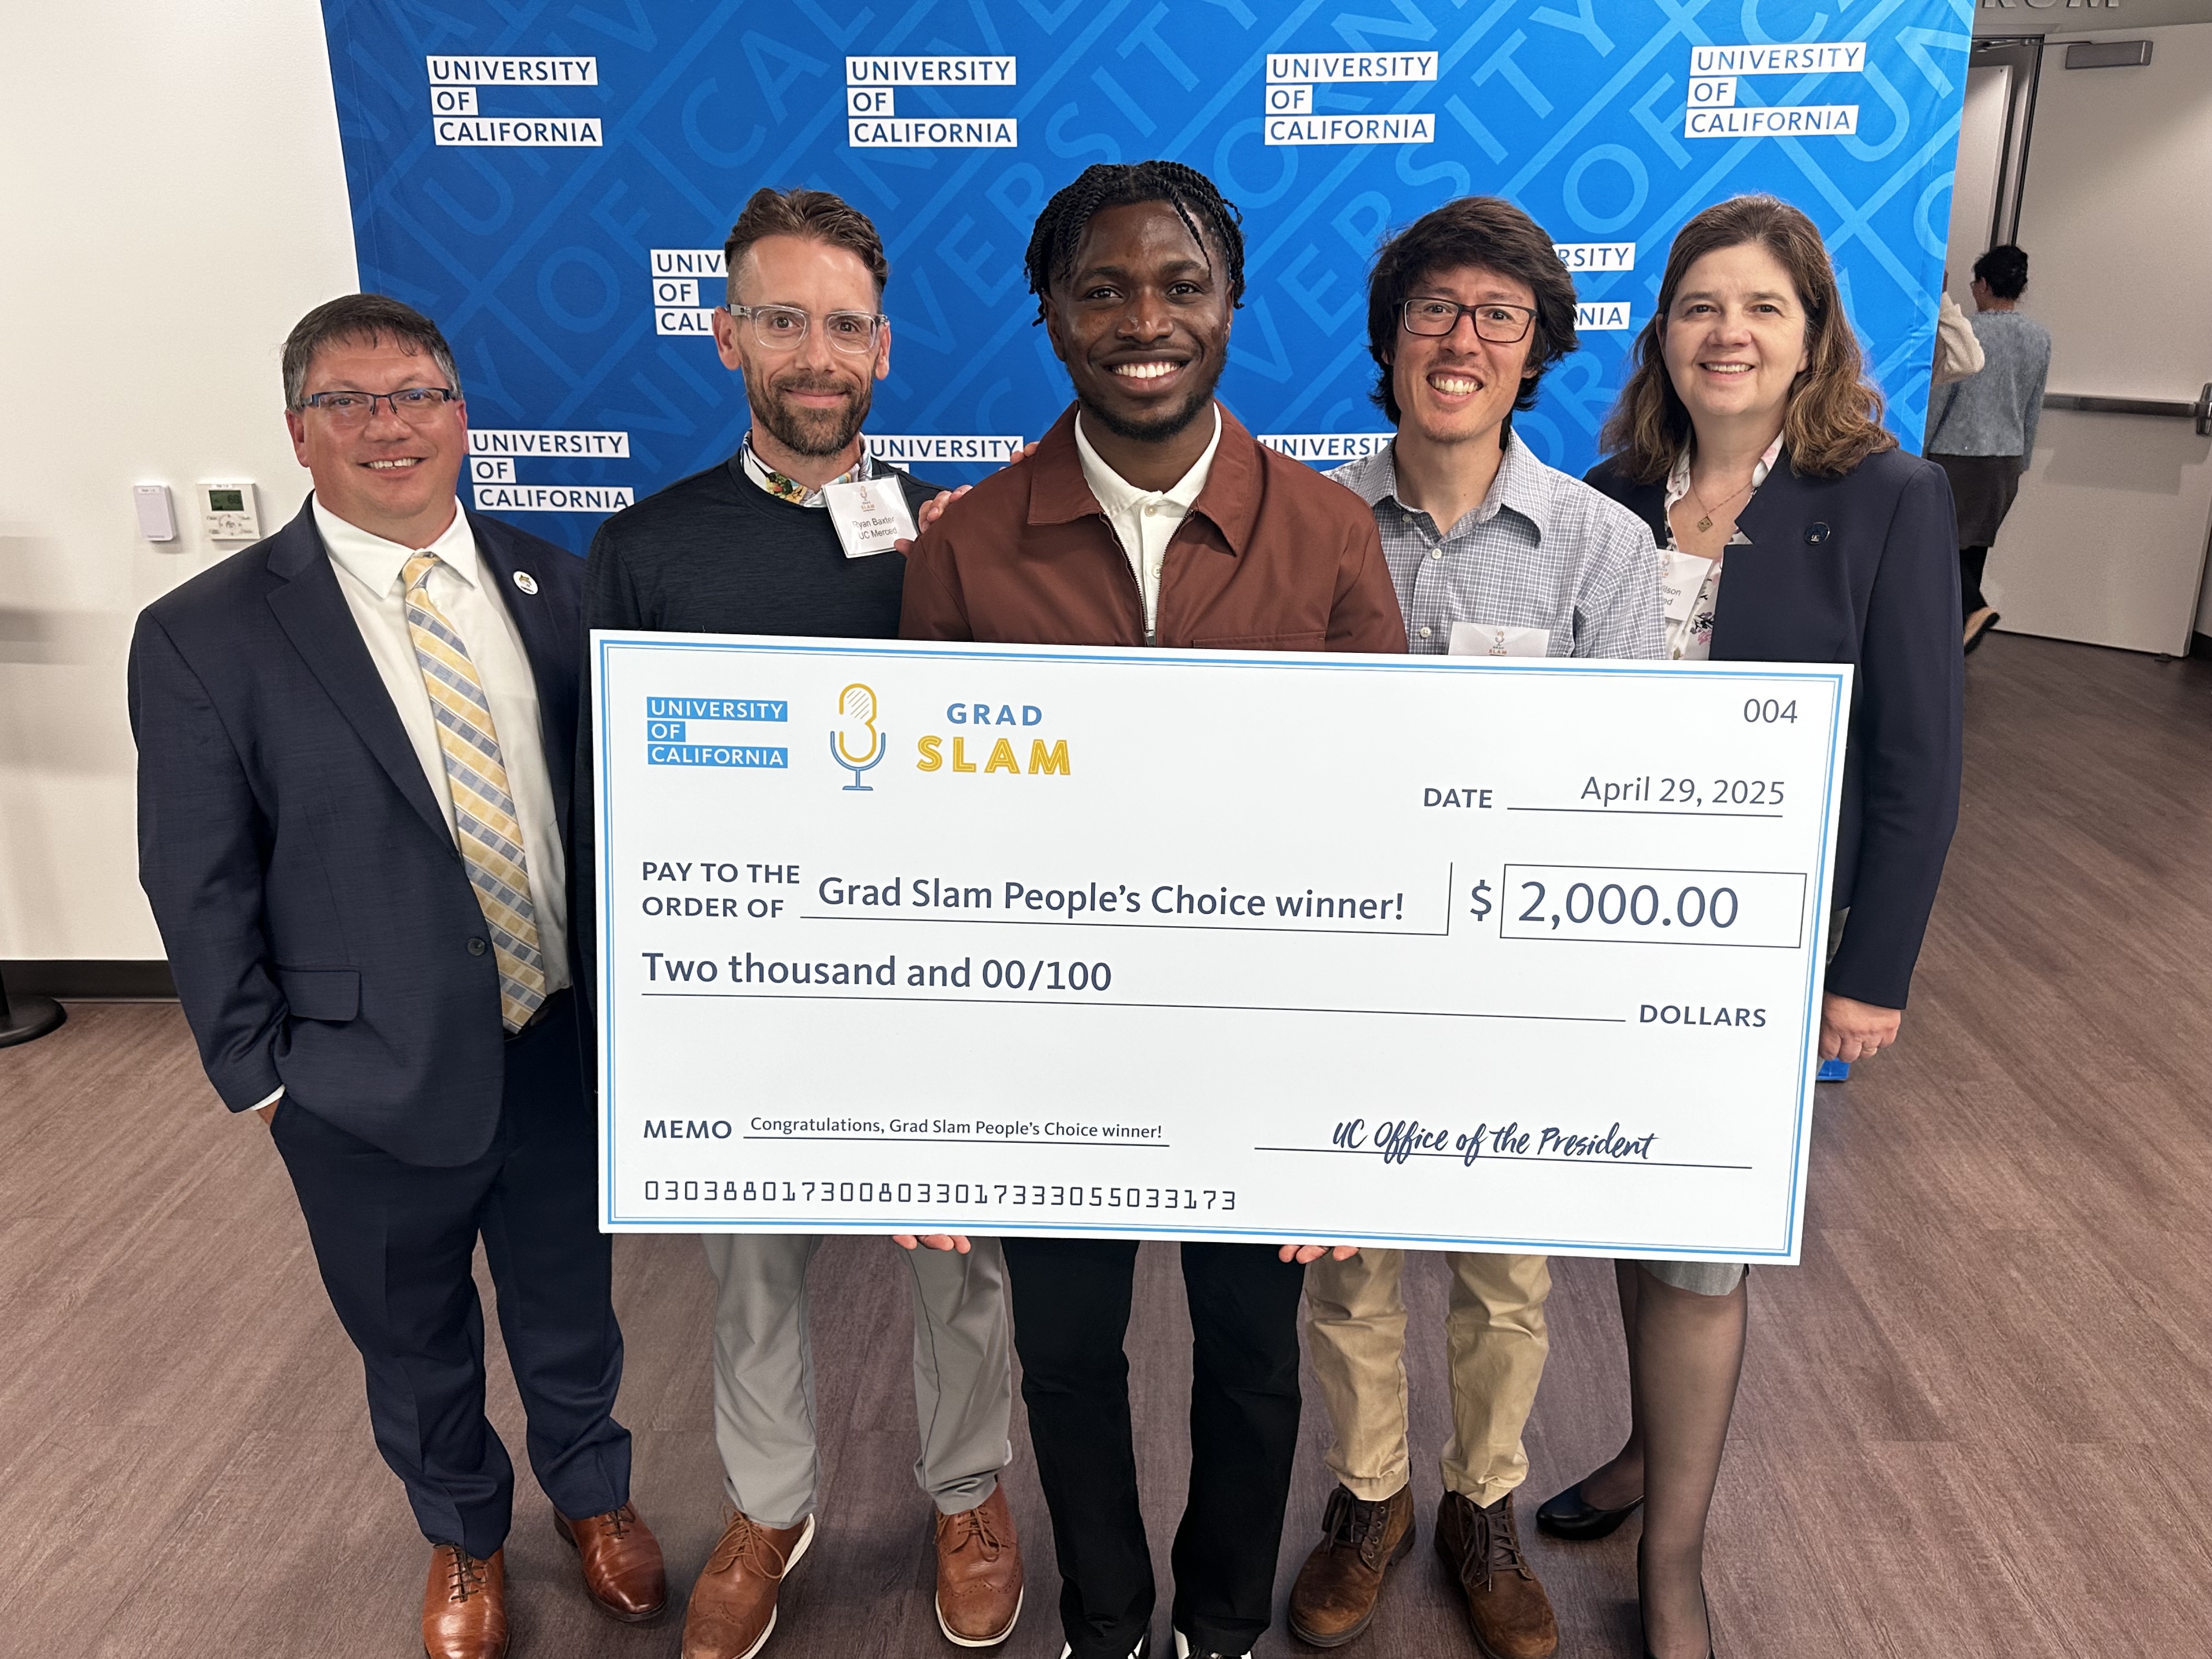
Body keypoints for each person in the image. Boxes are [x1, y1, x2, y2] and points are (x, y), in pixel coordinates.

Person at [901, 159, 1404, 1659]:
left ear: (1232, 307)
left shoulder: (1324, 536)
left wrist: (1349, 1110)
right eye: (1103, 287)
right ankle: (1110, 1625)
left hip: (1260, 1045)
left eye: (1180, 286)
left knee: (1253, 1359)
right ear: (1050, 314)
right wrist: (925, 1112)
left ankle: (1225, 1627)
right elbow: (921, 847)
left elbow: (1379, 832)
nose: (1145, 319)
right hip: (1054, 1048)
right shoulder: (969, 543)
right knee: (1064, 1354)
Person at [129, 295, 665, 1659]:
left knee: (567, 1302)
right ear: (299, 432)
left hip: (558, 1040)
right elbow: (196, 880)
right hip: (357, 1077)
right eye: (351, 403)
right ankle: (464, 1535)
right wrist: (260, 1080)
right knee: (411, 1334)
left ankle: (592, 1500)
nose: (391, 426)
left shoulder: (562, 588)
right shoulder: (209, 633)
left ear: (461, 417)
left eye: (418, 394)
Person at [578, 187, 1025, 1659]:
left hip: (933, 968)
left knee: (958, 1257)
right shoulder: (647, 552)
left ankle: (966, 1493)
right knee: (750, 1266)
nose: (815, 353)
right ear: (726, 340)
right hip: (743, 980)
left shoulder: (957, 543)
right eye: (782, 320)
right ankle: (771, 1508)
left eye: (844, 324)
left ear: (885, 352)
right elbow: (622, 805)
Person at [1537, 195, 1962, 1659]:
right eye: (1702, 305)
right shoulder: (1601, 493)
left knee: (1705, 1244)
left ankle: (1675, 1562)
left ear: (1811, 340)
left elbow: (1920, 760)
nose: (1729, 331)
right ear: (1663, 334)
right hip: (1598, 931)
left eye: (1763, 308)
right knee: (1626, 1203)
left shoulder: (1888, 497)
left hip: (1757, 955)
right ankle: (1654, 1449)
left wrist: (1870, 974)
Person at [1284, 196, 1662, 1659]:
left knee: (1509, 1266)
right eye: (1436, 309)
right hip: (1347, 955)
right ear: (1389, 340)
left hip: (1516, 971)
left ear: (1536, 352)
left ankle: (1480, 1504)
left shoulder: (1600, 546)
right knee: (1351, 1256)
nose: (1464, 338)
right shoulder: (1303, 518)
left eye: (1500, 317)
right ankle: (1369, 1499)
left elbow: (1625, 778)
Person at [1924, 244, 2051, 652]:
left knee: (1935, 542)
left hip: (1955, 453)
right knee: (1973, 547)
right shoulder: (2039, 338)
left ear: (1982, 284)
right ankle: (1958, 640)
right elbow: (2034, 405)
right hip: (2006, 457)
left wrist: (1918, 450)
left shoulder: (1966, 332)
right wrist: (2022, 461)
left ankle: (1970, 612)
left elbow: (1942, 396)